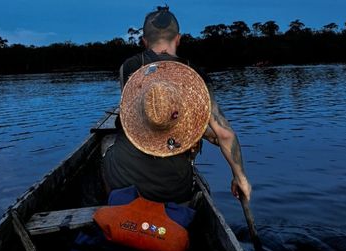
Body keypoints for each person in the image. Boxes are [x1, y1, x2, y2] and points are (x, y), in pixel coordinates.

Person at [102, 6, 251, 205]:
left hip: (121, 182)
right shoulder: (195, 75)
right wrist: (240, 178)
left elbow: (146, 113)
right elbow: (225, 134)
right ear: (178, 38)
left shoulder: (128, 68)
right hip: (173, 190)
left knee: (107, 144)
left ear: (144, 41)